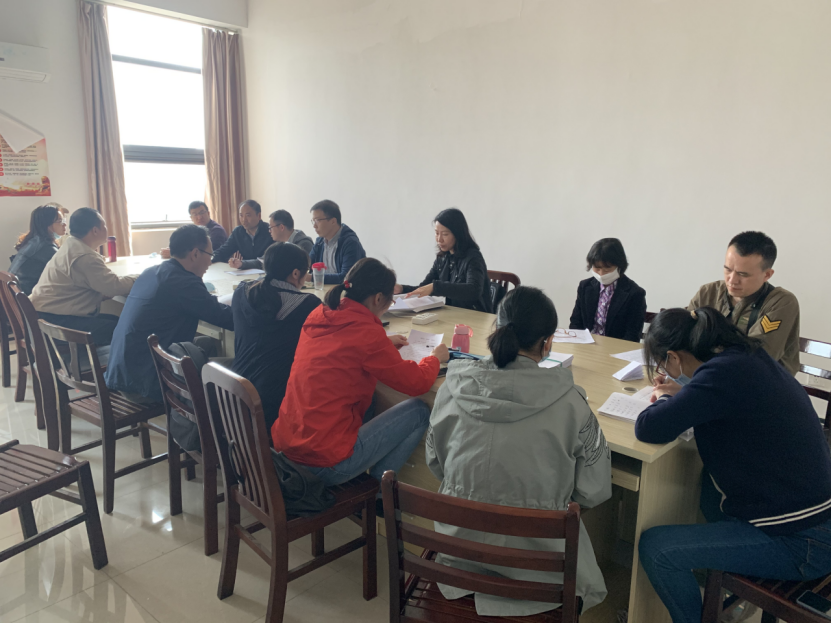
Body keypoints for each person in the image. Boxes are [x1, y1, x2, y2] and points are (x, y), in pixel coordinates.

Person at [635, 307, 831, 623]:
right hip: (812, 520)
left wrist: (665, 397)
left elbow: (648, 427)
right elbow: (724, 398)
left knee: (658, 549)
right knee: (706, 489)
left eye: (662, 365)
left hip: (803, 542)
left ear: (673, 357)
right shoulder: (743, 357)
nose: (665, 372)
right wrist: (687, 393)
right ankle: (718, 591)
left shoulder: (721, 376)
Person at [426, 286, 611, 616]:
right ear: (547, 342)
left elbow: (435, 463)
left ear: (495, 330)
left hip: (459, 558)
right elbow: (593, 491)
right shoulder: (572, 405)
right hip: (540, 575)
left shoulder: (451, 389)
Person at [273, 258, 449, 510]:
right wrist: (434, 358)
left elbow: (344, 348)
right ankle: (378, 495)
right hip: (324, 463)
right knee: (419, 411)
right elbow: (417, 383)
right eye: (389, 302)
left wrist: (383, 341)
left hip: (286, 449)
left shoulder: (320, 314)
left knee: (372, 400)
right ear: (378, 299)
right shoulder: (367, 334)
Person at [105, 224, 234, 403]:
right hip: (146, 384)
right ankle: (208, 414)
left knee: (206, 343)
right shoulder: (183, 282)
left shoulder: (152, 272)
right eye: (210, 255)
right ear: (195, 254)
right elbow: (227, 318)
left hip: (123, 375)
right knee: (236, 370)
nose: (210, 262)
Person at [232, 242, 320, 427]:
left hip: (234, 394)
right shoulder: (309, 306)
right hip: (273, 408)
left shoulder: (241, 292)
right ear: (295, 273)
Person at [689, 231, 799, 374]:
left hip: (758, 382)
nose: (732, 280)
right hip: (706, 375)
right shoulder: (708, 293)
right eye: (727, 270)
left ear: (767, 274)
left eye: (743, 274)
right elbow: (682, 336)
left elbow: (755, 358)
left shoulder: (781, 302)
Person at [31, 207, 136, 346]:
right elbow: (115, 287)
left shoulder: (70, 245)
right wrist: (140, 278)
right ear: (95, 230)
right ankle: (119, 361)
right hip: (56, 322)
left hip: (45, 316)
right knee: (124, 329)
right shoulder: (84, 256)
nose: (106, 229)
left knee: (116, 322)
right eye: (104, 225)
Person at [396, 208, 491, 312]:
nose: (439, 239)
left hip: (475, 315)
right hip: (453, 314)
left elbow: (474, 290)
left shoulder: (473, 257)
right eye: (436, 233)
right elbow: (423, 288)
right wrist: (402, 289)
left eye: (445, 234)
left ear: (458, 234)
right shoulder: (442, 258)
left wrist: (436, 287)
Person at [569, 238, 647, 342]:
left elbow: (632, 334)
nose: (601, 274)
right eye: (597, 268)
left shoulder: (635, 293)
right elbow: (576, 322)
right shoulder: (585, 286)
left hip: (616, 347)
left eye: (607, 269)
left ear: (619, 266)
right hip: (586, 345)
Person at [230, 210, 315, 270]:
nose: (269, 231)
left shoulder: (303, 244)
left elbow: (301, 271)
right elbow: (263, 261)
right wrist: (242, 264)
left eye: (271, 227)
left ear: (281, 227)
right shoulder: (279, 244)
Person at [9, 204, 66, 294]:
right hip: (27, 297)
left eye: (64, 220)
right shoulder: (46, 247)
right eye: (60, 221)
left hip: (14, 295)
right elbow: (65, 274)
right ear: (47, 224)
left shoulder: (32, 241)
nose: (64, 224)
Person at [307, 200, 366, 284]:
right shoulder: (319, 242)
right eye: (313, 221)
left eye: (318, 220)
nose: (314, 226)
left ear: (333, 221)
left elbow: (347, 278)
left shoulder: (350, 243)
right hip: (325, 289)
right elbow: (307, 265)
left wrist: (312, 277)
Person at [211, 200, 271, 264]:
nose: (244, 220)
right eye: (241, 215)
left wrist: (243, 263)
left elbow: (265, 260)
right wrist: (208, 258)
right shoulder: (238, 232)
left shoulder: (270, 231)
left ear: (259, 215)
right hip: (243, 269)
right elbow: (223, 252)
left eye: (248, 215)